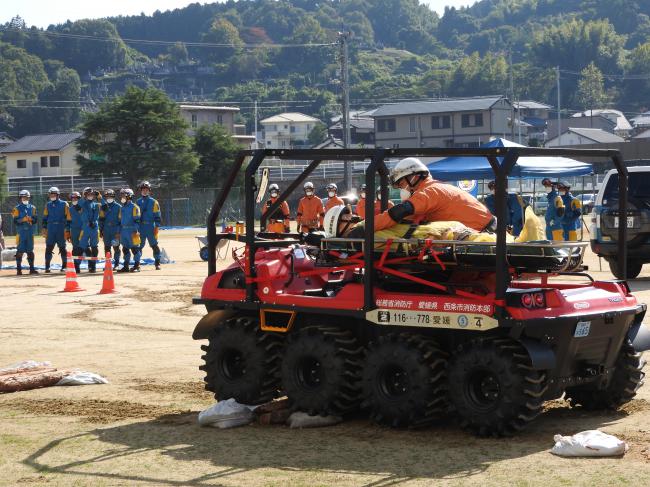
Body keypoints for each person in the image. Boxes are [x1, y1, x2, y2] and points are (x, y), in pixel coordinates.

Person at [363, 158, 494, 237]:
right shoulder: (434, 188)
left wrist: (365, 228)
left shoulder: (430, 191)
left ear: (413, 176)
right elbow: (407, 218)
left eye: (402, 184)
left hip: (484, 236)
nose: (403, 189)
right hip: (483, 232)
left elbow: (399, 212)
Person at [42, 187, 71, 273]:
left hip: (61, 227)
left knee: (62, 247)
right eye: (51, 194)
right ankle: (47, 267)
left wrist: (67, 229)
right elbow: (45, 217)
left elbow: (68, 217)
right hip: (50, 228)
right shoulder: (48, 205)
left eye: (54, 194)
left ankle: (64, 266)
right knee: (49, 247)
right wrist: (44, 227)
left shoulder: (64, 204)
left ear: (58, 195)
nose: (52, 196)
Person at [136, 181, 162, 270]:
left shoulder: (154, 202)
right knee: (138, 246)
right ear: (140, 191)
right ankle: (137, 263)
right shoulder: (137, 202)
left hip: (151, 226)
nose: (145, 191)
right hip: (140, 227)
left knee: (154, 245)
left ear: (149, 191)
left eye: (146, 189)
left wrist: (157, 226)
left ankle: (157, 263)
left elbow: (157, 215)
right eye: (143, 189)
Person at [12, 190, 38, 275]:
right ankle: (19, 270)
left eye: (26, 197)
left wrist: (31, 219)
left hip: (30, 232)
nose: (25, 198)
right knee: (20, 250)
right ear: (20, 198)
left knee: (30, 251)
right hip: (21, 232)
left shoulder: (33, 208)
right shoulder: (16, 208)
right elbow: (15, 221)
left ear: (29, 198)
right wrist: (22, 219)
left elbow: (35, 220)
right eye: (23, 197)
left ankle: (32, 269)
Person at [118, 188, 142, 273]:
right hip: (124, 230)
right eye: (122, 195)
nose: (122, 197)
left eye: (124, 195)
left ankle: (137, 265)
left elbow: (137, 220)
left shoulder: (135, 207)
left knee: (135, 249)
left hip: (132, 230)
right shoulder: (122, 208)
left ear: (129, 196)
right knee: (125, 249)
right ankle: (126, 266)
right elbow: (120, 220)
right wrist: (119, 231)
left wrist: (135, 229)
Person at [77, 187, 101, 273]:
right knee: (81, 246)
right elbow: (78, 205)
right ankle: (76, 266)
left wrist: (100, 197)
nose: (90, 196)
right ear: (85, 195)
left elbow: (103, 209)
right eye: (88, 194)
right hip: (85, 227)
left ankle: (92, 266)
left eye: (92, 194)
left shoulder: (96, 204)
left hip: (94, 227)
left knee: (94, 247)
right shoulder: (82, 203)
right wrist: (83, 196)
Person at [99, 189, 122, 269]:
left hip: (115, 230)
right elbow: (101, 219)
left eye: (110, 196)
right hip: (106, 230)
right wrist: (101, 230)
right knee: (107, 248)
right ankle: (108, 264)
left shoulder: (118, 207)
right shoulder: (103, 207)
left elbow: (120, 221)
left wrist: (118, 232)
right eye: (107, 196)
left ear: (113, 197)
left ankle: (116, 264)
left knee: (116, 247)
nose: (109, 198)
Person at [68, 191, 84, 273]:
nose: (74, 199)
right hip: (74, 230)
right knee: (75, 248)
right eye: (72, 198)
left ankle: (91, 265)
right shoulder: (70, 209)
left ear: (79, 198)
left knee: (84, 247)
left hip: (83, 229)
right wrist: (67, 232)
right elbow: (68, 221)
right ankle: (76, 266)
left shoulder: (83, 207)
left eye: (76, 198)